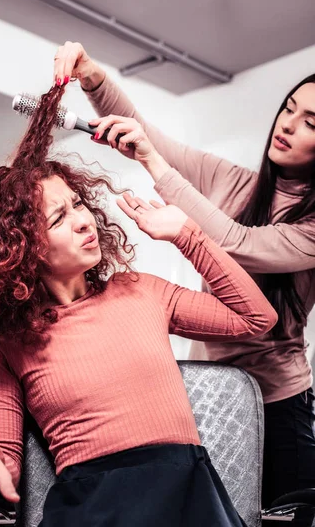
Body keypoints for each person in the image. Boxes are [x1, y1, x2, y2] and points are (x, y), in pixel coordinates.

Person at [0, 83, 277, 527]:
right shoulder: (4, 338)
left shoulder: (142, 291)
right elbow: (0, 447)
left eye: (77, 204)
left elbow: (256, 318)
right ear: (19, 250)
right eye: (58, 218)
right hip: (91, 507)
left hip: (187, 495)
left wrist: (187, 235)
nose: (83, 221)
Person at [52, 41, 315, 506]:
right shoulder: (233, 181)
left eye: (310, 123)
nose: (288, 126)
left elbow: (238, 245)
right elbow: (146, 137)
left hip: (279, 403)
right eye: (289, 109)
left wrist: (156, 166)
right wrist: (93, 77)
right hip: (212, 389)